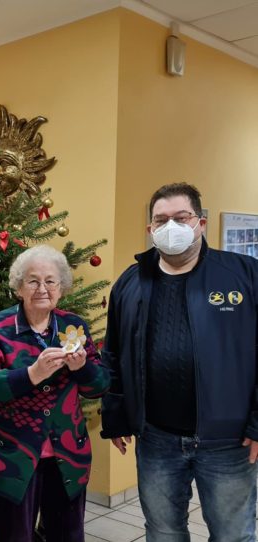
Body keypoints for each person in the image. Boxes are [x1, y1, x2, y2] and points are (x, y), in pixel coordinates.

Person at [101, 182, 258, 541]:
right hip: (157, 439)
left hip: (228, 442)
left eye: (181, 217)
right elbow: (114, 353)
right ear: (150, 230)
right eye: (161, 220)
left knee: (233, 534)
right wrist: (116, 415)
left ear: (200, 223)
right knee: (163, 531)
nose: (170, 226)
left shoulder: (244, 274)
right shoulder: (131, 282)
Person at [0, 245, 109, 542]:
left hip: (67, 455)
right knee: (14, 536)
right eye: (33, 280)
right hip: (12, 457)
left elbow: (98, 387)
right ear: (19, 287)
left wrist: (82, 368)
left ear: (61, 287)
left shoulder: (74, 326)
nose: (42, 288)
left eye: (51, 281)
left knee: (67, 536)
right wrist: (32, 374)